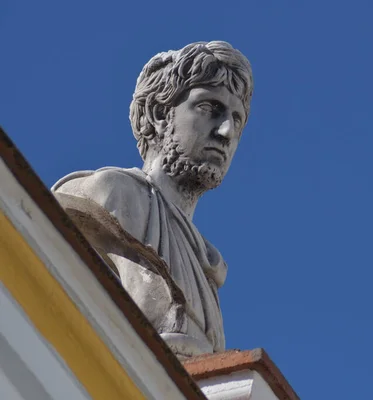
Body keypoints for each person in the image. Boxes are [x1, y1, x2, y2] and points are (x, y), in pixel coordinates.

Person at [52, 41, 253, 359]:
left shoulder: (207, 268)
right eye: (208, 108)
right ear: (159, 113)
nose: (227, 131)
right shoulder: (107, 195)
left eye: (237, 119)